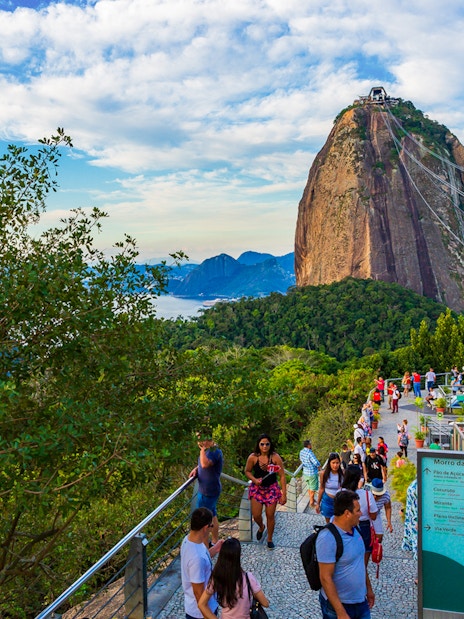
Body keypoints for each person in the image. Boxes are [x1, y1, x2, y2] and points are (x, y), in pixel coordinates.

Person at [316, 489, 375, 619]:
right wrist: (340, 612)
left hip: (361, 602)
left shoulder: (356, 529)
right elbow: (325, 577)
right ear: (347, 513)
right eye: (358, 510)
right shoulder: (327, 538)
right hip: (339, 607)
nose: (361, 513)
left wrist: (369, 589)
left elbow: (360, 564)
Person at [198, 537, 269, 619]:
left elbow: (201, 604)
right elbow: (265, 603)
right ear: (238, 556)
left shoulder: (217, 577)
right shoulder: (248, 578)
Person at [245, 433, 286, 549]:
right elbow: (247, 471)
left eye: (267, 444)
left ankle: (269, 539)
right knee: (256, 515)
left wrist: (284, 494)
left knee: (270, 515)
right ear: (258, 445)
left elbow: (282, 476)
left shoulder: (275, 457)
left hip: (272, 489)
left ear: (270, 444)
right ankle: (261, 527)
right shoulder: (253, 457)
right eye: (262, 444)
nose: (264, 446)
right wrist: (254, 479)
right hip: (257, 489)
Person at [181, 507, 224, 619]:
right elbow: (198, 594)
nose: (211, 528)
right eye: (211, 526)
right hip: (200, 614)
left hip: (195, 608)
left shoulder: (188, 540)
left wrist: (215, 549)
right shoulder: (197, 558)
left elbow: (203, 557)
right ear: (205, 528)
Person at [189, 430, 223, 545]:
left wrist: (202, 449)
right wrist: (196, 469)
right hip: (206, 489)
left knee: (204, 519)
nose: (198, 441)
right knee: (212, 515)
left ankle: (204, 545)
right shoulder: (209, 451)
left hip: (209, 491)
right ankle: (214, 541)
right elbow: (202, 465)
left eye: (199, 438)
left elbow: (205, 464)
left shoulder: (214, 451)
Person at [342, 466, 378, 565]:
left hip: (344, 526)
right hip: (364, 527)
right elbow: (374, 516)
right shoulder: (367, 494)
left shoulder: (340, 493)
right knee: (364, 559)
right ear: (359, 478)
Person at [315, 452, 344, 523]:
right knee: (328, 523)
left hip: (338, 501)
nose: (335, 465)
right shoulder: (323, 474)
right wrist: (318, 503)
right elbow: (321, 488)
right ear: (329, 463)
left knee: (338, 522)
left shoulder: (343, 473)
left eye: (337, 463)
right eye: (333, 463)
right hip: (327, 500)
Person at [299, 439, 321, 508]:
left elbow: (301, 460)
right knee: (313, 488)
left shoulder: (301, 452)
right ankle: (311, 503)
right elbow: (315, 462)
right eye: (310, 444)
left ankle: (312, 499)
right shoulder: (310, 453)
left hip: (305, 472)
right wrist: (320, 467)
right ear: (308, 445)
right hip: (312, 473)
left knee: (309, 487)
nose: (311, 445)